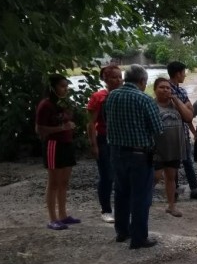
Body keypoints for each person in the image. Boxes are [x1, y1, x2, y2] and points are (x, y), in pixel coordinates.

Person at [105, 64, 163, 249]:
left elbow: (108, 120)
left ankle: (122, 232)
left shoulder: (112, 96)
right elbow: (158, 128)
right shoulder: (144, 99)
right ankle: (139, 238)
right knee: (140, 197)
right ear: (142, 81)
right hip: (139, 154)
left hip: (116, 152)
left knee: (121, 193)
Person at [36, 74, 79, 231]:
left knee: (64, 182)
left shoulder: (64, 103)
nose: (65, 89)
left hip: (67, 144)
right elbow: (39, 129)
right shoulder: (45, 105)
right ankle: (52, 218)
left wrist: (69, 125)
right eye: (62, 86)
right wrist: (60, 128)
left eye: (67, 86)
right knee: (53, 182)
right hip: (53, 145)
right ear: (53, 87)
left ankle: (63, 214)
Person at [167, 61, 197, 201]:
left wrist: (182, 109)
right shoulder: (166, 89)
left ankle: (194, 189)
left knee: (187, 160)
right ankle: (174, 189)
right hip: (171, 133)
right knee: (172, 162)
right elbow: (174, 111)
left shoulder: (182, 90)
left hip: (184, 131)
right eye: (184, 72)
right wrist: (184, 107)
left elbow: (189, 112)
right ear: (178, 73)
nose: (185, 75)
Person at [153, 77, 193, 217]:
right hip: (156, 148)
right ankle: (143, 201)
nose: (165, 90)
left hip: (174, 147)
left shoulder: (176, 104)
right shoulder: (151, 105)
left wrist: (176, 100)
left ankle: (171, 206)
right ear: (155, 89)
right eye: (162, 87)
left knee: (171, 177)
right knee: (155, 177)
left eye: (168, 88)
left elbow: (188, 117)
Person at [86, 64, 120, 223]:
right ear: (105, 79)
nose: (118, 80)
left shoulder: (122, 94)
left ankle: (121, 207)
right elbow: (91, 123)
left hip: (121, 140)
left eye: (120, 76)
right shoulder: (98, 97)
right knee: (107, 176)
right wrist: (93, 145)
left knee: (121, 175)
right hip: (104, 140)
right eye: (114, 77)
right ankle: (105, 209)